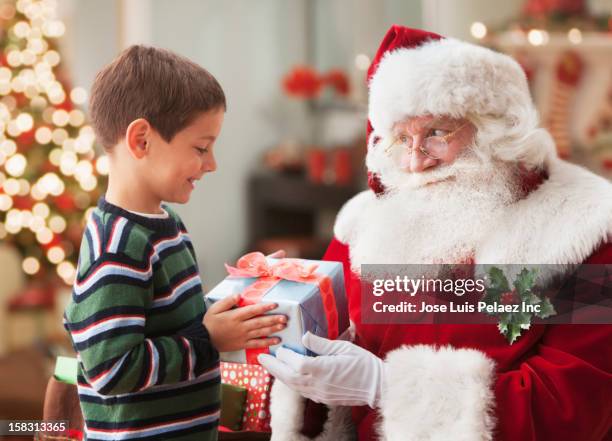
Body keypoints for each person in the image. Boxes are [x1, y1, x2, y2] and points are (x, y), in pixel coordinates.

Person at [259, 26, 612, 441]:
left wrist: (386, 386)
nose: (415, 162)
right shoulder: (361, 224)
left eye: (436, 134)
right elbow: (317, 378)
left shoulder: (587, 227)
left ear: (496, 130)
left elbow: (575, 406)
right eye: (401, 139)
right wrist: (283, 323)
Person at [63, 46, 287, 441]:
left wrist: (245, 294)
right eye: (201, 148)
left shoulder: (167, 225)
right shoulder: (117, 248)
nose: (212, 163)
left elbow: (178, 319)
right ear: (142, 140)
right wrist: (208, 341)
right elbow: (111, 369)